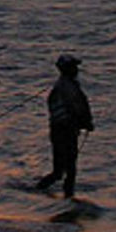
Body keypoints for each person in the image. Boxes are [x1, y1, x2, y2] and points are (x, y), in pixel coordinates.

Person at [36, 53, 94, 198]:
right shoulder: (66, 87)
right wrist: (86, 123)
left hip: (63, 130)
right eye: (73, 67)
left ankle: (47, 194)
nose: (76, 70)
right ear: (66, 69)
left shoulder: (66, 85)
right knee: (66, 170)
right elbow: (76, 107)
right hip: (64, 131)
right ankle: (67, 198)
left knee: (62, 170)